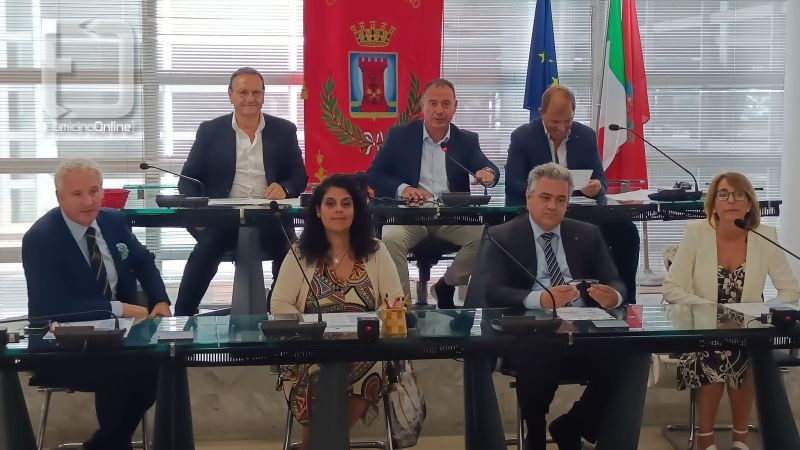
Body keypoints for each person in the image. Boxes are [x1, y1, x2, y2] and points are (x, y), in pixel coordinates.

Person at [477, 163, 628, 450]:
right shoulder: (502, 236)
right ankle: (535, 433)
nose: (552, 206)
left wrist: (614, 297)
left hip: (585, 328)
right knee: (537, 355)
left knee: (625, 357)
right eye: (545, 197)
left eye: (561, 199)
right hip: (532, 330)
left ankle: (572, 425)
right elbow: (492, 291)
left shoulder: (588, 233)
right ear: (528, 198)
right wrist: (540, 300)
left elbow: (616, 282)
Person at [21, 158, 170, 450]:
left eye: (94, 191)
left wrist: (160, 300)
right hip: (62, 347)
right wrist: (119, 309)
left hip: (119, 340)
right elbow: (51, 305)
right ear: (60, 197)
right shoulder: (40, 238)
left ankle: (104, 445)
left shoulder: (113, 221)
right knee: (125, 371)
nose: (89, 201)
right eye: (77, 194)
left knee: (158, 365)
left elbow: (143, 261)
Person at [663, 172, 800, 450]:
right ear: (713, 204)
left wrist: (761, 313)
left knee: (745, 348)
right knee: (715, 349)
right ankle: (706, 439)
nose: (731, 200)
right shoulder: (696, 233)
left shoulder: (765, 236)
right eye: (723, 194)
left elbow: (790, 290)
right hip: (701, 329)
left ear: (749, 204)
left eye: (739, 195)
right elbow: (671, 288)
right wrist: (716, 312)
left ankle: (740, 439)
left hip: (747, 330)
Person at [270, 174, 403, 450]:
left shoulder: (377, 251)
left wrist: (370, 324)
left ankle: (314, 446)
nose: (339, 210)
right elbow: (279, 305)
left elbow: (394, 302)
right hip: (311, 348)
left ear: (356, 210)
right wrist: (310, 328)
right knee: (315, 375)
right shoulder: (300, 253)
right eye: (330, 203)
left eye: (346, 203)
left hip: (364, 348)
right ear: (318, 211)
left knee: (371, 369)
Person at [175, 66, 308, 316]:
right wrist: (199, 213)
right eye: (243, 92)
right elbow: (188, 179)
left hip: (271, 215)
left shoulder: (284, 130)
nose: (250, 98)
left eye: (256, 92)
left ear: (264, 95)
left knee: (291, 255)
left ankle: (277, 313)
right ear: (230, 95)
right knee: (204, 251)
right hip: (224, 217)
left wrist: (284, 187)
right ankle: (181, 317)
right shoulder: (210, 131)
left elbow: (299, 176)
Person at [367, 78, 499, 308]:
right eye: (433, 103)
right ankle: (401, 307)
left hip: (453, 218)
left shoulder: (466, 140)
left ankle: (446, 284)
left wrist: (486, 173)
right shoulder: (400, 136)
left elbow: (488, 167)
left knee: (489, 237)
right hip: (410, 217)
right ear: (423, 106)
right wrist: (404, 189)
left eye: (446, 104)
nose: (439, 110)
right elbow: (375, 174)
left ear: (455, 107)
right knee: (390, 239)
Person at [504, 84, 641, 303]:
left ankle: (623, 299)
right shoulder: (523, 137)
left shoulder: (585, 136)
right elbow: (513, 184)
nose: (561, 128)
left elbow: (600, 180)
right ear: (541, 113)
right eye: (554, 122)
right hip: (541, 212)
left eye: (567, 121)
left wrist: (596, 187)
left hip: (580, 213)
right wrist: (544, 192)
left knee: (626, 231)